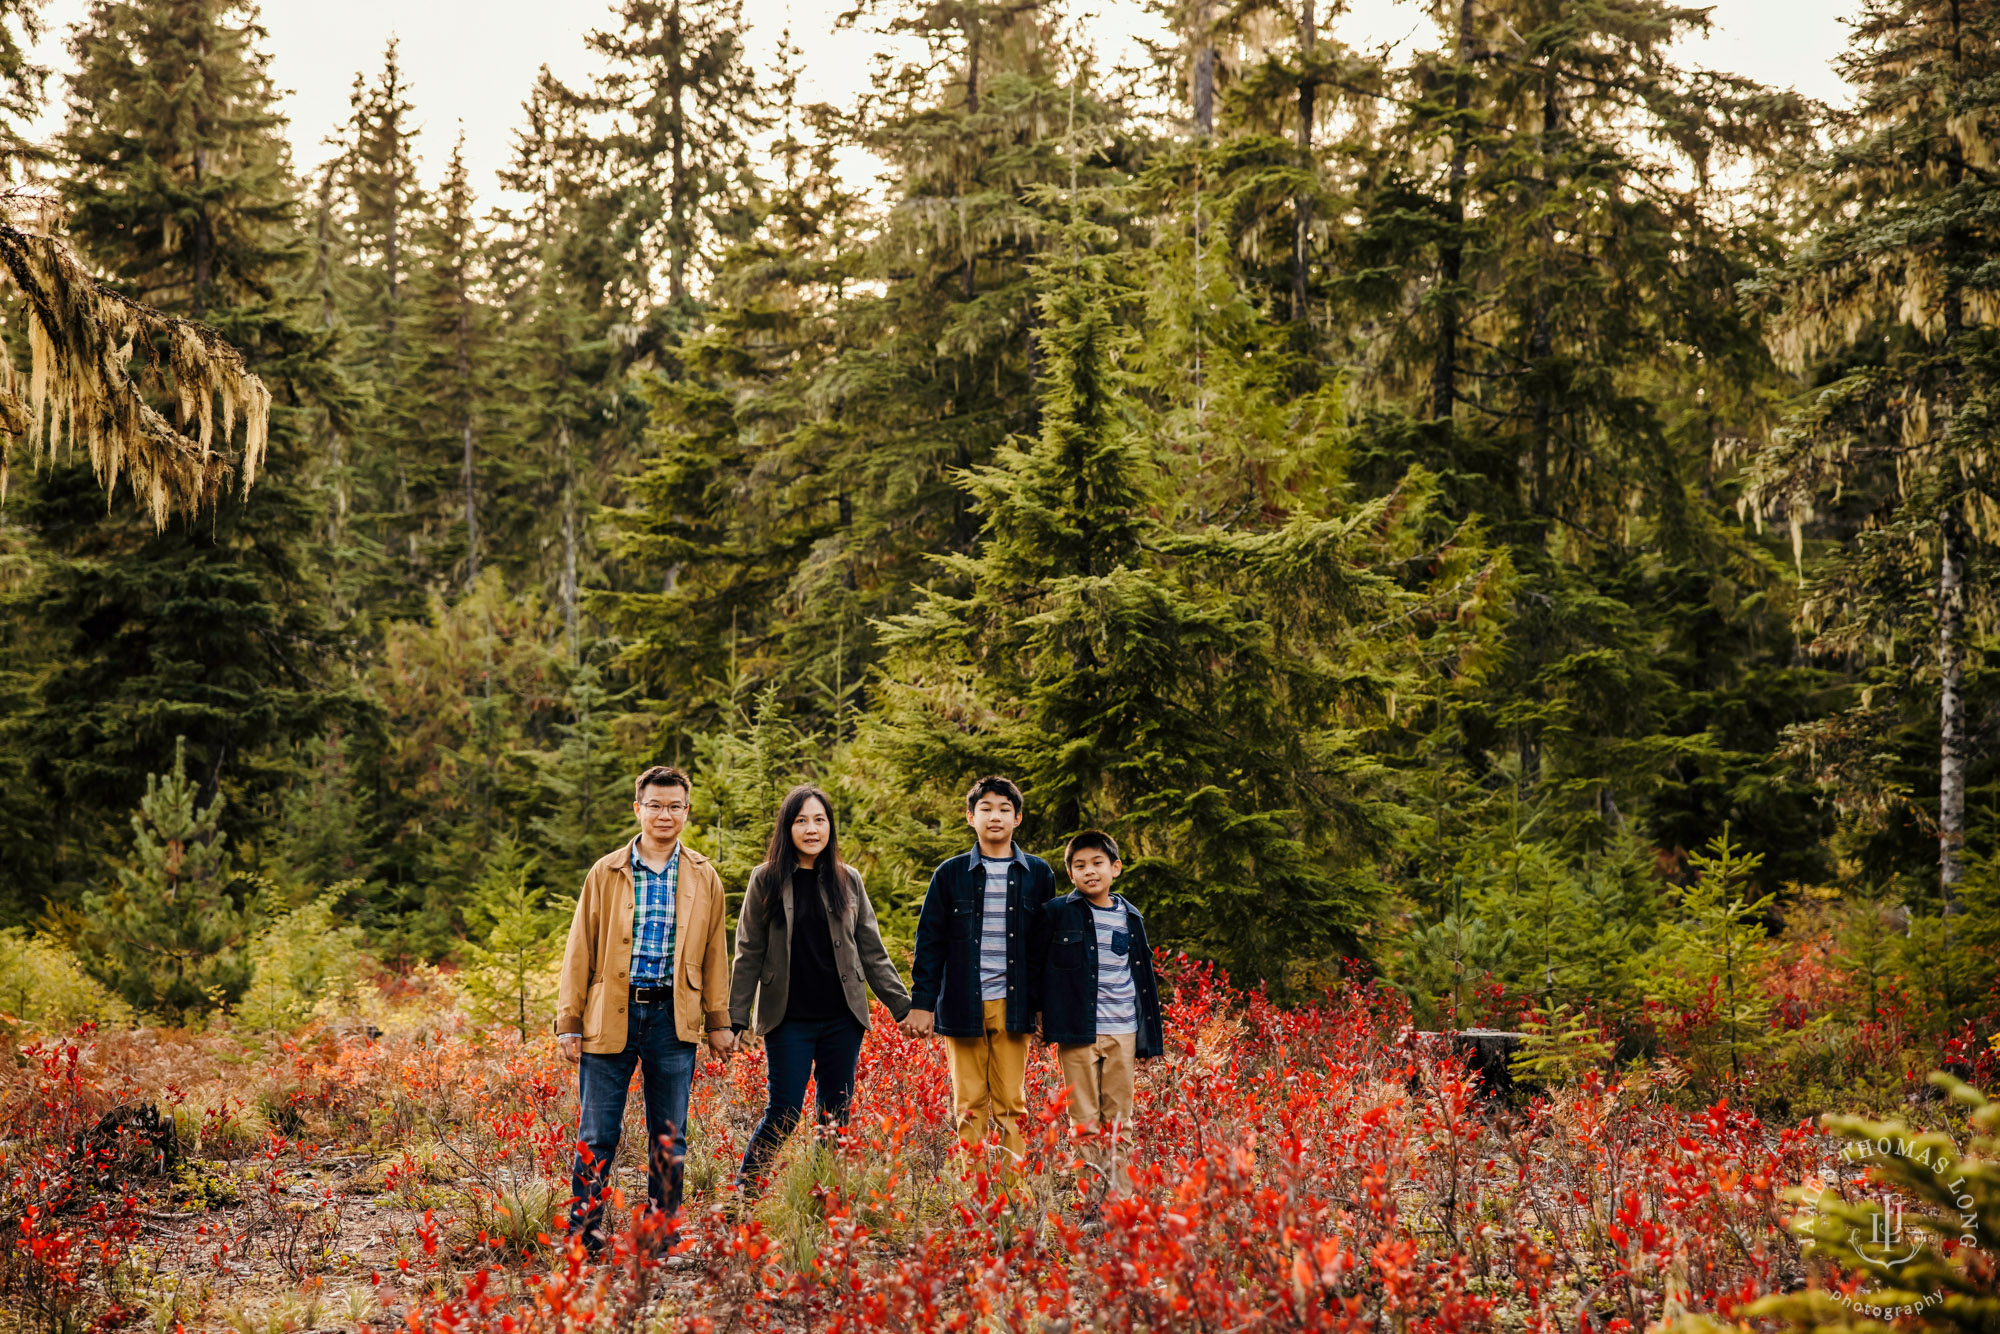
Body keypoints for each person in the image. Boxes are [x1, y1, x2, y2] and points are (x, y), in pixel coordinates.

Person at [554, 764, 736, 1253]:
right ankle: (584, 1235)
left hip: (672, 1020)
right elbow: (579, 949)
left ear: (686, 812)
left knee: (669, 1136)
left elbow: (717, 953)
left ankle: (659, 1236)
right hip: (611, 1015)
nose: (664, 814)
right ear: (638, 809)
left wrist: (719, 1021)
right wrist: (569, 1022)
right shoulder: (607, 871)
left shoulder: (703, 875)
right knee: (597, 1133)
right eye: (654, 805)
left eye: (675, 806)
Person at [728, 784, 912, 1193]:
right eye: (801, 821)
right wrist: (734, 1018)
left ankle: (821, 1196)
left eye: (819, 820)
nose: (812, 829)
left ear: (830, 826)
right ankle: (746, 1192)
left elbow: (873, 952)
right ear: (787, 827)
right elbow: (748, 952)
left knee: (835, 1115)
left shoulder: (849, 880)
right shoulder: (766, 879)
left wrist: (904, 1007)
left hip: (842, 1018)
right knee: (784, 1110)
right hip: (788, 1018)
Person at [903, 775, 1056, 1161]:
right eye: (985, 808)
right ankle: (974, 1196)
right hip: (961, 1003)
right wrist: (921, 1004)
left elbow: (1045, 948)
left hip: (1014, 1005)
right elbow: (930, 942)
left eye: (1005, 809)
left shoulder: (1038, 874)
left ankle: (1012, 1198)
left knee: (1011, 1103)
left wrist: (1044, 1007)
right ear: (970, 817)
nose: (995, 816)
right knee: (969, 1103)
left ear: (1018, 818)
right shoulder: (950, 874)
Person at [1029, 829, 1163, 1205]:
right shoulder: (1057, 913)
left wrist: (1150, 1037)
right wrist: (1038, 1016)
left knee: (1120, 1122)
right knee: (1084, 1122)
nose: (1090, 871)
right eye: (1079, 865)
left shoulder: (1130, 917)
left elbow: (1142, 979)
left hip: (1123, 1030)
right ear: (1070, 874)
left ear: (1115, 868)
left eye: (1097, 863)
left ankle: (1119, 1202)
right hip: (1076, 1031)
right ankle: (1091, 1203)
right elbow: (1036, 966)